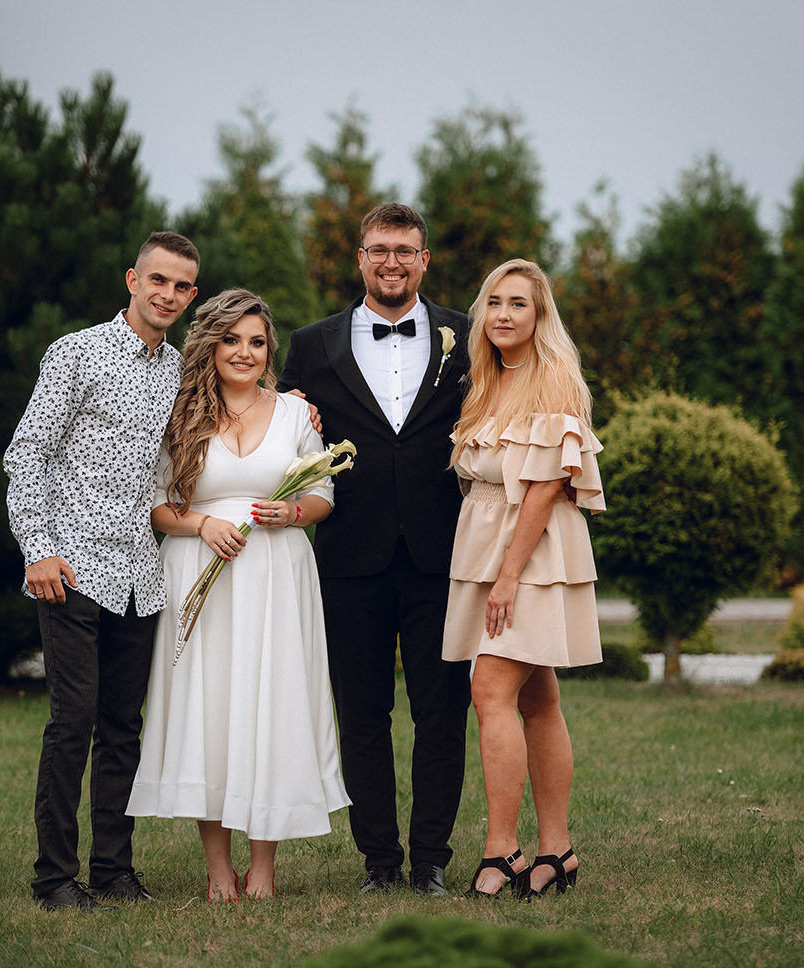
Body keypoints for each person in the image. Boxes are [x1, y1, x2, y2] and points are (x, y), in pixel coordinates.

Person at [128, 289, 350, 901]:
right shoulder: (180, 414)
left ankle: (265, 867)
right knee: (211, 709)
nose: (245, 352)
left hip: (278, 574)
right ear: (211, 344)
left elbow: (324, 494)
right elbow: (157, 505)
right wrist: (202, 523)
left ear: (269, 350)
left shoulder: (296, 415)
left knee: (272, 705)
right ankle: (219, 868)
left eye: (256, 342)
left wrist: (293, 511)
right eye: (231, 340)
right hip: (199, 571)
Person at [3, 231, 200, 912]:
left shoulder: (179, 371)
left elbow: (236, 404)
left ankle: (114, 871)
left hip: (141, 573)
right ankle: (54, 878)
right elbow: (26, 453)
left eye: (181, 286)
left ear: (191, 295)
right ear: (132, 280)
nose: (167, 294)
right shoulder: (76, 352)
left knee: (122, 727)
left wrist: (296, 403)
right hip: (72, 566)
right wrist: (37, 548)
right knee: (73, 721)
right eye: (158, 280)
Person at [278, 203, 471, 897]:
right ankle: (379, 863)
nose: (392, 262)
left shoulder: (468, 336)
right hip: (349, 556)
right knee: (361, 715)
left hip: (443, 555)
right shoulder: (311, 344)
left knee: (441, 714)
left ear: (424, 260)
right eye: (379, 250)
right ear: (360, 257)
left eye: (405, 251)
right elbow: (284, 429)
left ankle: (431, 861)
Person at [442, 258, 605, 899]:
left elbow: (544, 488)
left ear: (541, 316)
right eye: (495, 302)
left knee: (489, 689)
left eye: (519, 304)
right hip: (487, 543)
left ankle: (501, 849)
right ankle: (557, 851)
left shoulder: (552, 376)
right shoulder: (486, 380)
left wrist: (508, 576)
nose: (504, 314)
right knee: (538, 700)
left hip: (530, 551)